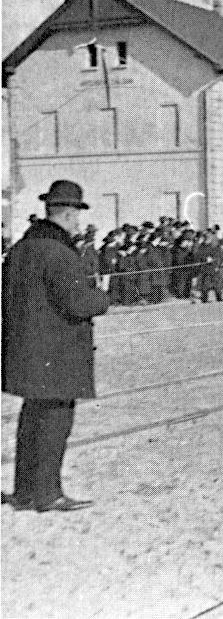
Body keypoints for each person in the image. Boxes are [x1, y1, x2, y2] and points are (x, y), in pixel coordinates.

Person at [2, 181, 110, 513]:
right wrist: (102, 297)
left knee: (31, 419)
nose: (78, 223)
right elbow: (76, 303)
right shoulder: (60, 253)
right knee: (55, 423)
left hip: (25, 352)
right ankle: (48, 494)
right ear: (65, 214)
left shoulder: (21, 248)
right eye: (76, 215)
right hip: (58, 354)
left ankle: (24, 493)